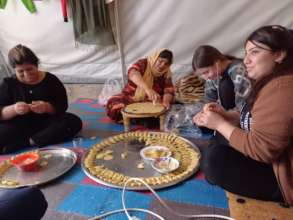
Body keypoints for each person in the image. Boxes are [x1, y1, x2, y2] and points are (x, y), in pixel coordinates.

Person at [193, 25, 293, 206]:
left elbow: (262, 150)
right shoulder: (269, 81)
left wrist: (219, 124)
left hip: (282, 176)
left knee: (215, 161)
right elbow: (251, 116)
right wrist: (224, 115)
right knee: (218, 144)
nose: (246, 60)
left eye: (254, 52)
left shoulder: (282, 89)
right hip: (265, 152)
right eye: (246, 53)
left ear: (279, 54)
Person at [0, 44, 83, 154]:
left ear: (37, 65)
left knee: (72, 121)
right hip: (18, 126)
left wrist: (46, 107)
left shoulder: (50, 80)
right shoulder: (8, 84)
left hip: (46, 124)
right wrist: (14, 109)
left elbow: (62, 106)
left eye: (30, 69)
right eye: (20, 71)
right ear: (14, 70)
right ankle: (36, 140)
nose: (26, 74)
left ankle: (27, 143)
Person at [106, 49, 175, 122]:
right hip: (132, 97)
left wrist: (166, 101)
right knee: (113, 102)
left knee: (167, 108)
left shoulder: (166, 72)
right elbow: (133, 73)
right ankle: (141, 118)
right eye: (160, 61)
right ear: (155, 58)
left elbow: (169, 90)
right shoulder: (143, 63)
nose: (162, 65)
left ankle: (135, 118)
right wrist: (147, 89)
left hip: (152, 100)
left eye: (166, 63)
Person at [192, 45, 251, 110]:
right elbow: (207, 100)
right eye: (201, 74)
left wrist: (223, 115)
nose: (206, 78)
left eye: (206, 72)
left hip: (241, 114)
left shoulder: (239, 71)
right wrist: (202, 112)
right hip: (227, 114)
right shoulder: (213, 77)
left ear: (217, 63)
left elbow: (244, 104)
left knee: (225, 85)